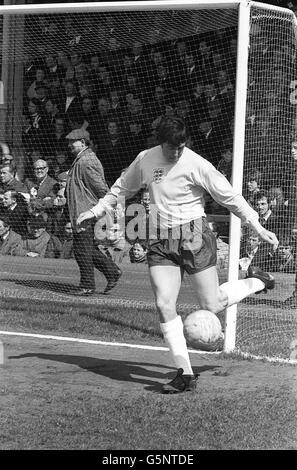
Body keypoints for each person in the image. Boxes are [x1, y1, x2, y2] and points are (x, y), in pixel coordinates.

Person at [76, 116, 278, 394]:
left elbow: (229, 196)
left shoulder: (196, 163)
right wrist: (96, 210)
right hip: (160, 237)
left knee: (213, 303)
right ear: (161, 143)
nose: (177, 152)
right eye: (173, 148)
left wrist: (256, 224)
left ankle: (258, 281)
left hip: (193, 234)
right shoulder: (146, 159)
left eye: (182, 146)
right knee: (163, 303)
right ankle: (186, 374)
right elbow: (122, 187)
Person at [65, 128, 122, 296]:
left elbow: (101, 187)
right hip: (83, 210)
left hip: (86, 211)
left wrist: (106, 207)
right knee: (85, 248)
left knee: (82, 250)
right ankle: (112, 272)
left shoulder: (86, 160)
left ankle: (87, 285)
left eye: (72, 142)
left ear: (82, 142)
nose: (69, 144)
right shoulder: (82, 158)